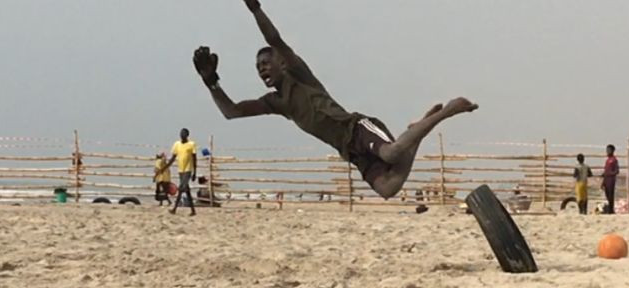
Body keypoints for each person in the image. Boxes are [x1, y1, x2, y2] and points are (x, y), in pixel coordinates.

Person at [192, 0, 478, 200]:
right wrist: (211, 82)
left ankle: (448, 111)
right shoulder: (275, 103)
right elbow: (231, 112)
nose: (262, 69)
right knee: (389, 189)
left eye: (266, 63)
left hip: (356, 128)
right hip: (349, 150)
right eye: (258, 68)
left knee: (391, 154)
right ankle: (418, 130)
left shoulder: (298, 74)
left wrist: (255, 8)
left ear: (281, 62)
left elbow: (275, 39)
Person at [166, 129, 198, 215]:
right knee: (187, 190)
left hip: (188, 170)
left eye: (183, 133)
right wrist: (166, 167)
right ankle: (193, 210)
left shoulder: (191, 144)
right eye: (181, 133)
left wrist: (195, 172)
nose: (182, 135)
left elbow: (194, 158)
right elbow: (173, 157)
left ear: (187, 135)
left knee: (181, 188)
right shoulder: (177, 144)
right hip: (181, 170)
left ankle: (174, 209)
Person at [601, 144, 620, 215]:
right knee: (607, 195)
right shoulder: (607, 160)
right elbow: (605, 171)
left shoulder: (614, 160)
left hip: (611, 180)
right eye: (607, 150)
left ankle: (611, 210)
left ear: (612, 151)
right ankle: (610, 209)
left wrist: (610, 173)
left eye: (609, 150)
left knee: (611, 195)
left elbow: (617, 171)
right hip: (606, 180)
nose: (607, 151)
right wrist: (603, 182)